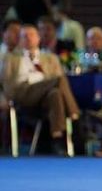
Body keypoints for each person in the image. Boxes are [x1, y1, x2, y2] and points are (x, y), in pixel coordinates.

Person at [1, 24, 80, 155]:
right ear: (19, 40)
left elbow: (59, 86)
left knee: (55, 94)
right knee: (59, 80)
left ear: (38, 38)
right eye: (24, 36)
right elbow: (7, 82)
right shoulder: (10, 58)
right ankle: (75, 115)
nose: (28, 38)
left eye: (31, 35)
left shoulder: (51, 58)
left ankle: (57, 139)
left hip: (45, 95)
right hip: (22, 92)